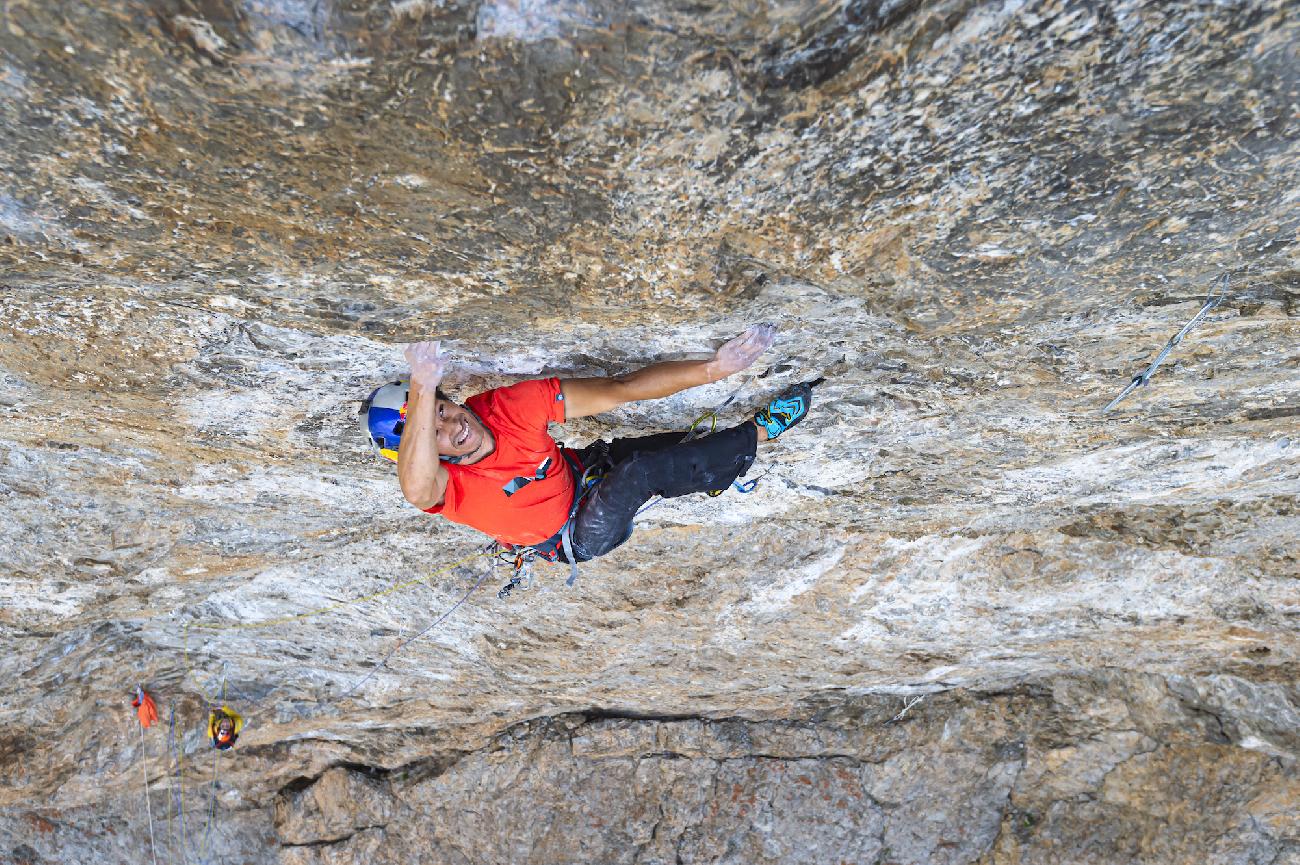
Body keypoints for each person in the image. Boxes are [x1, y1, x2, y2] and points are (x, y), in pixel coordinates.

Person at [361, 324, 815, 578]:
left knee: (659, 450)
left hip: (583, 473)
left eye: (442, 409)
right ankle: (760, 433)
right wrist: (421, 385)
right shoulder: (444, 487)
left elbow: (619, 390)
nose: (452, 425)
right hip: (575, 534)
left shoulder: (505, 408)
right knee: (640, 472)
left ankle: (714, 464)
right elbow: (416, 488)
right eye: (431, 432)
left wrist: (715, 368)